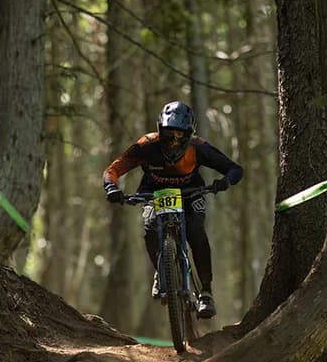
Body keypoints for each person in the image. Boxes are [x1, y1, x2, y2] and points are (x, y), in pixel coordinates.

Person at [103, 100, 243, 319]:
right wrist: (112, 187)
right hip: (153, 193)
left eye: (180, 136)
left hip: (190, 193)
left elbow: (235, 169)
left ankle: (206, 292)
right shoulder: (146, 145)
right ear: (160, 130)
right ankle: (162, 271)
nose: (174, 142)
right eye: (169, 135)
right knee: (150, 230)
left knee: (196, 230)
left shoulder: (199, 147)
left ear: (190, 135)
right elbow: (113, 169)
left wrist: (224, 182)